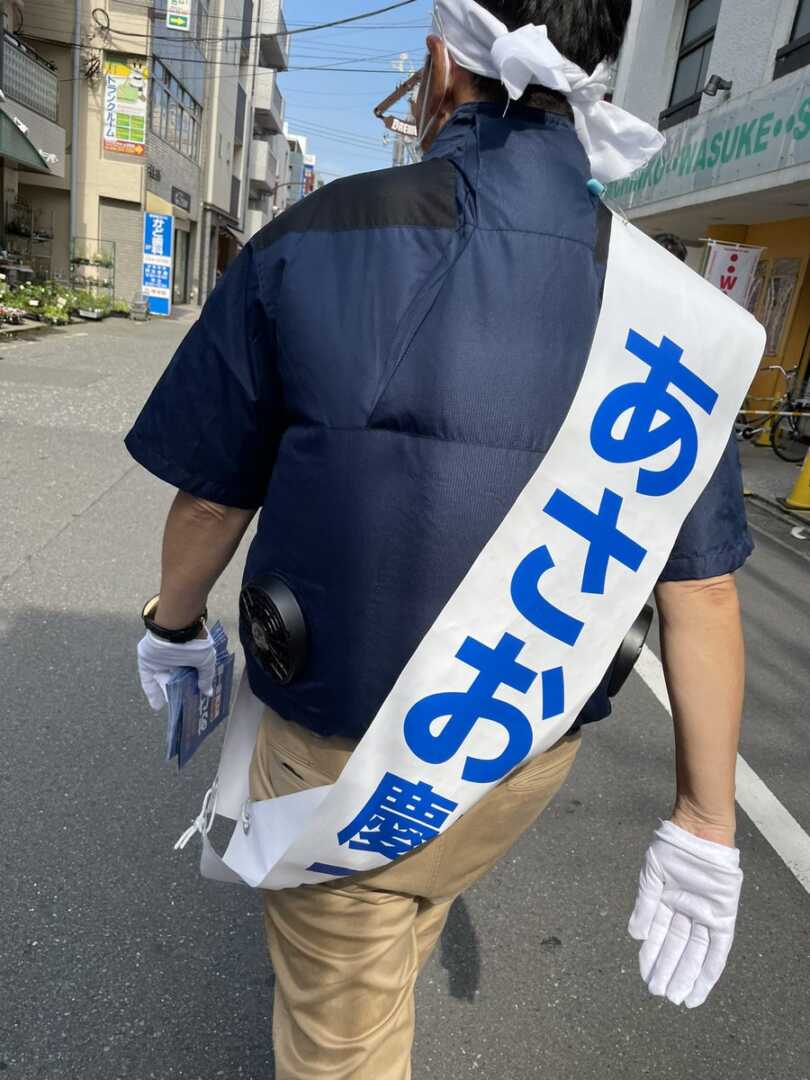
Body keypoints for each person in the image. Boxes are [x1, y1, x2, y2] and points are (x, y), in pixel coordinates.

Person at [127, 1, 750, 1076]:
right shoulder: (672, 314)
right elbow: (704, 592)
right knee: (405, 912)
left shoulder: (313, 238)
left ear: (436, 67)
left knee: (341, 1048)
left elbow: (211, 505)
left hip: (340, 754)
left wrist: (173, 629)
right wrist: (705, 819)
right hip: (515, 753)